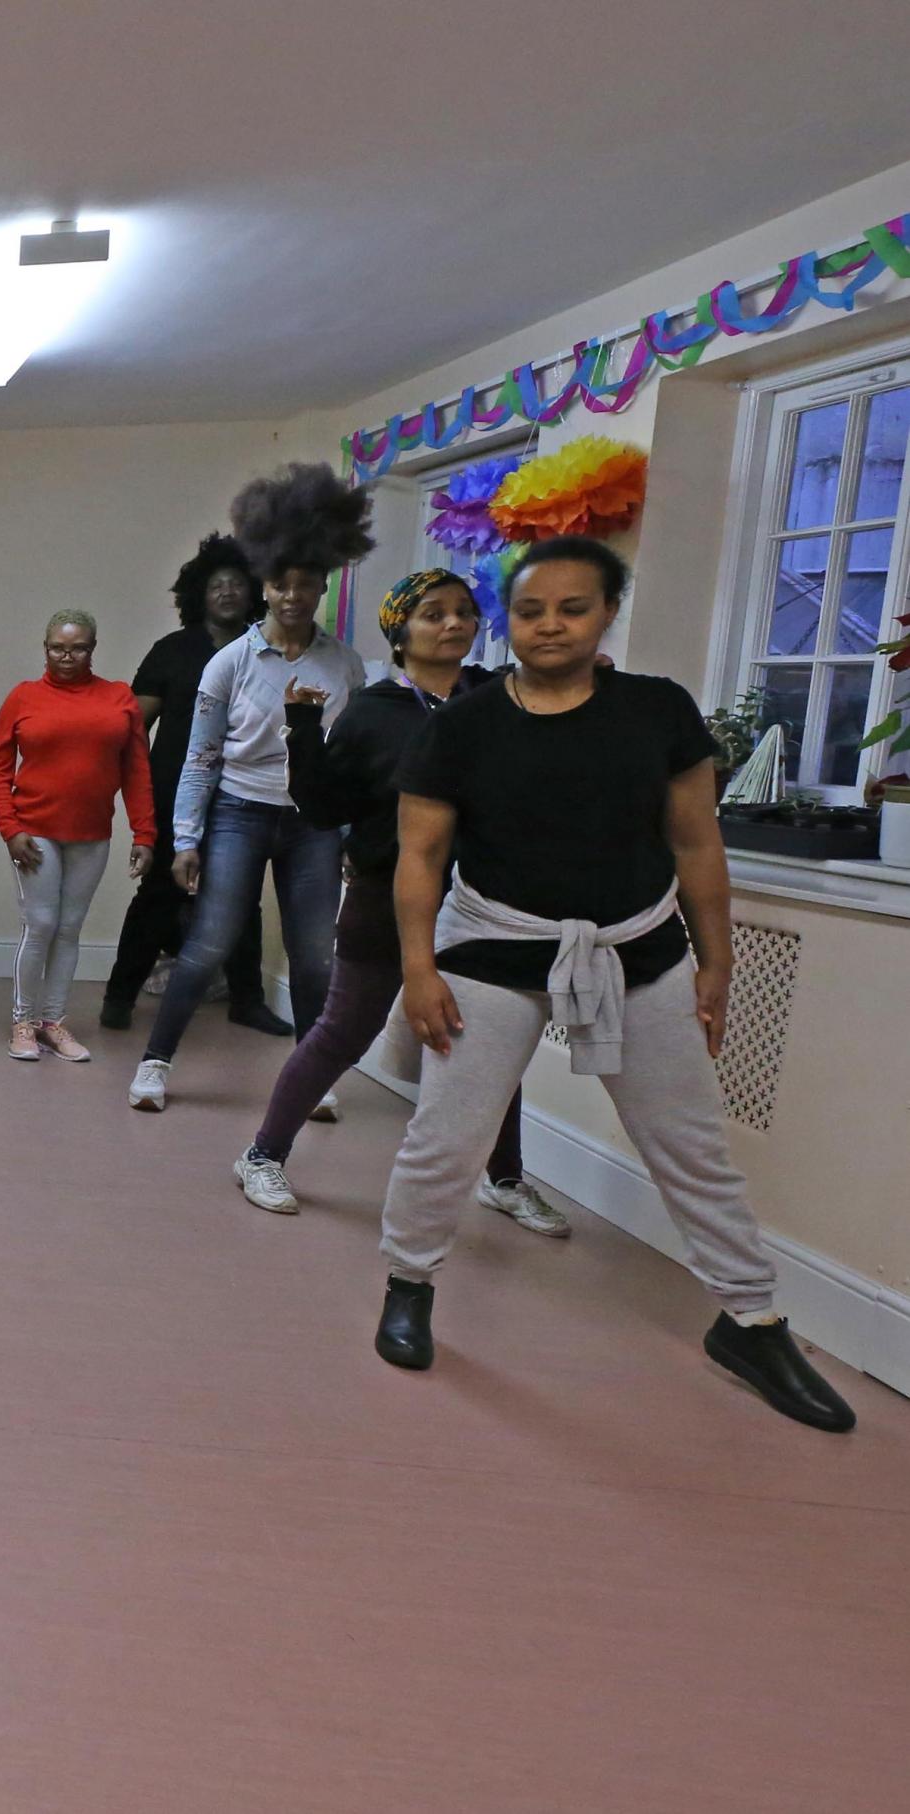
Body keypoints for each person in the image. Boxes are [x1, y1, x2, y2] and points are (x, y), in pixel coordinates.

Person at [374, 538, 853, 1433]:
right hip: (491, 949)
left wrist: (716, 961)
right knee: (448, 1135)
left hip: (640, 948)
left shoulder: (656, 712)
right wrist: (418, 967)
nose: (549, 625)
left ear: (605, 616)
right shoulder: (464, 725)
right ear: (508, 620)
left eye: (572, 608)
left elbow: (696, 842)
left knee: (690, 1143)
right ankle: (409, 1282)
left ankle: (750, 1318)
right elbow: (420, 854)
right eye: (529, 610)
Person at [228, 570, 562, 1235]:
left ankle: (504, 1178)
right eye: (434, 614)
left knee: (493, 1036)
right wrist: (301, 728)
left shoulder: (498, 698)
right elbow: (325, 807)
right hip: (386, 897)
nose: (454, 624)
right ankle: (261, 1154)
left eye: (465, 612)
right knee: (344, 1030)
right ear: (399, 632)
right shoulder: (375, 711)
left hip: (483, 903)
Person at [129, 465, 373, 1112]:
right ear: (265, 588)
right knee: (207, 945)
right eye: (280, 584)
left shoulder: (345, 664)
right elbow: (201, 757)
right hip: (238, 812)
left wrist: (349, 833)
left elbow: (349, 762)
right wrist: (187, 837)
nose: (292, 595)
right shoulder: (230, 662)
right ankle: (155, 1064)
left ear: (323, 586)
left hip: (314, 825)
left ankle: (310, 1079)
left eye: (305, 584)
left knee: (316, 959)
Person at [100, 536, 285, 1034]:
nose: (226, 592)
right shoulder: (173, 651)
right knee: (158, 894)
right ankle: (119, 996)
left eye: (236, 584)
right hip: (172, 792)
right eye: (216, 585)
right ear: (198, 594)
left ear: (254, 593)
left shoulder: (270, 650)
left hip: (245, 791)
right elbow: (134, 725)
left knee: (242, 899)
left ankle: (247, 999)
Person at [0, 609, 155, 1062]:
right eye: (58, 647)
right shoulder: (23, 698)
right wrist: (10, 828)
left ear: (93, 649)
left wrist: (145, 833)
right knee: (40, 923)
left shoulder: (119, 698)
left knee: (69, 928)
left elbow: (137, 771)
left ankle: (53, 1022)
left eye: (78, 647)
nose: (67, 656)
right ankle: (22, 1021)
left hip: (92, 834)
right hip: (34, 832)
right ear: (45, 649)